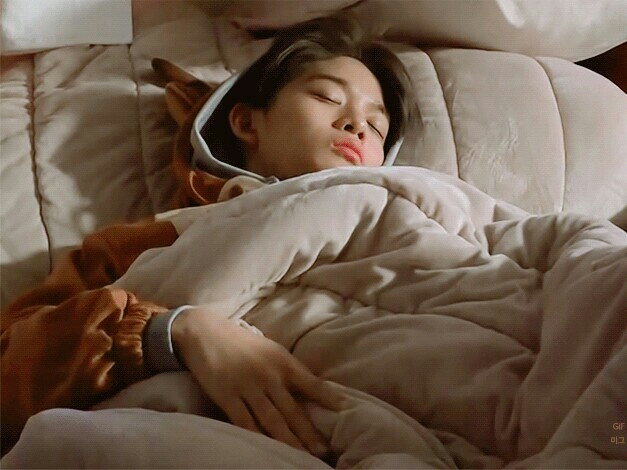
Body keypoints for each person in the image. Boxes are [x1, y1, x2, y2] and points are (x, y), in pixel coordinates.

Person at [1, 13, 414, 458]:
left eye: (376, 126)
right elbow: (12, 367)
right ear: (247, 123)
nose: (356, 125)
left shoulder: (409, 223)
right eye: (327, 97)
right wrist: (173, 331)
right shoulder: (155, 239)